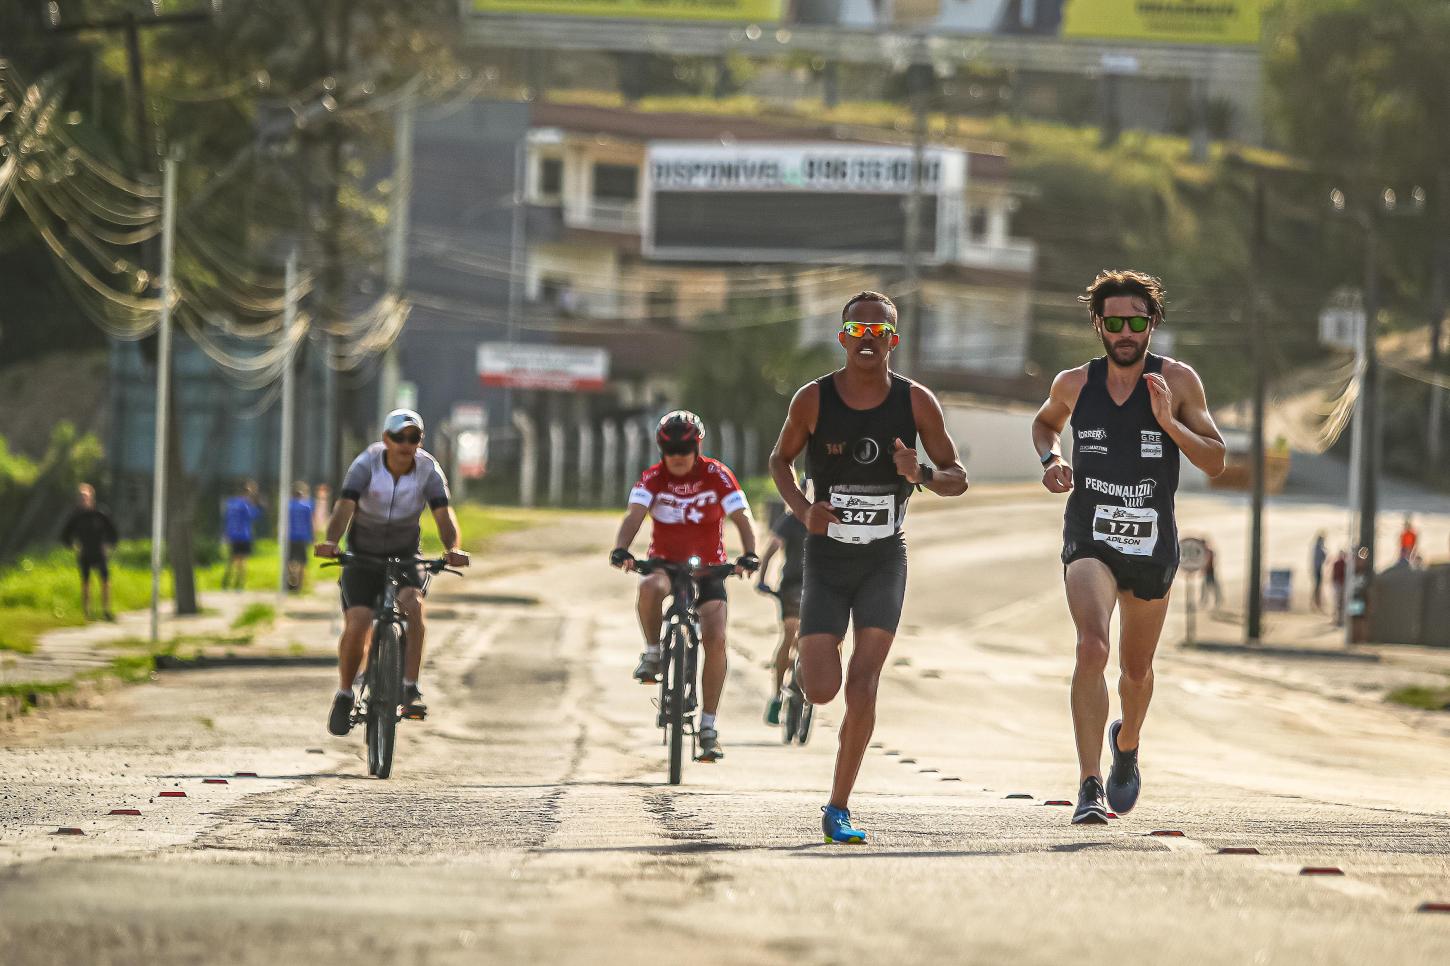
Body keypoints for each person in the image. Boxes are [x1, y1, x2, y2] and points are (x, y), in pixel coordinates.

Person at [769, 291, 969, 844]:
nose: (867, 341)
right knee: (822, 688)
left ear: (892, 341)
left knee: (864, 682)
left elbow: (958, 477)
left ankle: (838, 805)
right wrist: (804, 509)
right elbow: (779, 460)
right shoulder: (813, 400)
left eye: (878, 333)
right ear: (843, 338)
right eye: (857, 332)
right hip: (828, 560)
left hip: (883, 558)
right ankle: (804, 676)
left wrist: (920, 473)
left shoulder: (916, 403)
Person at [1030, 269, 1225, 825]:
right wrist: (1053, 460)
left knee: (1136, 673)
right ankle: (1088, 784)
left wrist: (1169, 423)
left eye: (1135, 322)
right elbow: (1044, 425)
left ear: (1151, 325)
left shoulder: (1178, 381)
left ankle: (1127, 743)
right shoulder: (1075, 384)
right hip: (1089, 533)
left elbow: (1215, 458)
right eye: (1113, 322)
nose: (1124, 332)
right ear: (1098, 325)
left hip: (1151, 544)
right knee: (1092, 647)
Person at [609, 411, 759, 763]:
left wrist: (750, 553)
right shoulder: (653, 477)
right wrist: (621, 548)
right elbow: (634, 515)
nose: (677, 456)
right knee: (649, 587)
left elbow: (742, 516)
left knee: (716, 637)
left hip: (709, 568)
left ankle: (708, 726)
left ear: (697, 447)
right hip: (665, 561)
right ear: (661, 449)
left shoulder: (717, 474)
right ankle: (652, 652)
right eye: (670, 449)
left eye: (685, 448)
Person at [314, 409, 470, 736]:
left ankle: (410, 685)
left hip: (405, 552)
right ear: (386, 439)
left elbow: (443, 514)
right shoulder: (366, 464)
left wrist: (452, 548)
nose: (405, 444)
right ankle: (344, 693)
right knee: (357, 621)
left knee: (414, 606)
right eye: (399, 437)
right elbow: (345, 507)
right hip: (362, 552)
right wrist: (331, 541)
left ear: (419, 441)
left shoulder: (428, 469)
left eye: (413, 438)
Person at [756, 500, 808, 725]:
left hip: (824, 585)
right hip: (794, 585)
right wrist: (762, 579)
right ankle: (776, 696)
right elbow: (771, 549)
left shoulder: (834, 516)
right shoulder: (791, 520)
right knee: (790, 632)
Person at [60, 483, 119, 621]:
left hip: (99, 551)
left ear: (91, 497)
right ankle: (87, 612)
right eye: (81, 497)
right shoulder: (76, 516)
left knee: (105, 580)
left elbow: (112, 531)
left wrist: (109, 545)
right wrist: (73, 546)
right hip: (85, 552)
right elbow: (65, 535)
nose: (83, 499)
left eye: (85, 497)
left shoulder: (100, 513)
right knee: (85, 582)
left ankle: (106, 610)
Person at [221, 480, 263, 590]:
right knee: (243, 560)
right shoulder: (246, 504)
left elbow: (227, 518)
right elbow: (254, 516)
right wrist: (257, 506)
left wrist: (226, 533)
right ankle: (239, 584)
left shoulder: (231, 502)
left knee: (232, 558)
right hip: (244, 535)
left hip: (233, 534)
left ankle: (226, 581)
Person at [286, 482, 314, 592]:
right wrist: (312, 536)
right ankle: (299, 586)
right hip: (302, 537)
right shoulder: (306, 506)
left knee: (290, 560)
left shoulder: (289, 506)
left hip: (291, 537)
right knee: (302, 562)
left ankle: (292, 576)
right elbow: (310, 523)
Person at [1199, 539, 1221, 609]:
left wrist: (1203, 569)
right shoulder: (1206, 551)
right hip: (1208, 571)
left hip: (1209, 572)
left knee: (1210, 587)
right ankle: (1205, 601)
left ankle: (1215, 601)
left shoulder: (1207, 551)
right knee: (1207, 587)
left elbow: (1209, 561)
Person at [1310, 532, 1328, 613]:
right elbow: (1324, 557)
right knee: (1317, 588)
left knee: (1316, 588)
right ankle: (1317, 604)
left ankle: (1315, 604)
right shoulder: (1319, 547)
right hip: (1317, 569)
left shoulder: (1315, 547)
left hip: (1316, 569)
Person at [1330, 549, 1347, 625]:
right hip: (1339, 585)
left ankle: (1340, 620)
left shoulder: (1345, 564)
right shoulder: (1338, 563)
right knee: (1338, 603)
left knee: (1340, 603)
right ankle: (1337, 619)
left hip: (1341, 585)